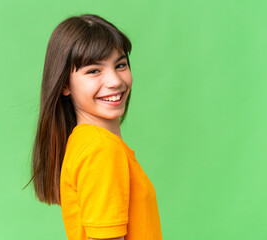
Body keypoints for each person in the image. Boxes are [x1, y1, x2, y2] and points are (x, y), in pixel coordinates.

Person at [24, 14, 163, 240]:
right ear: (65, 85)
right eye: (94, 71)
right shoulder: (101, 150)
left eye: (120, 65)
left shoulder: (85, 142)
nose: (115, 81)